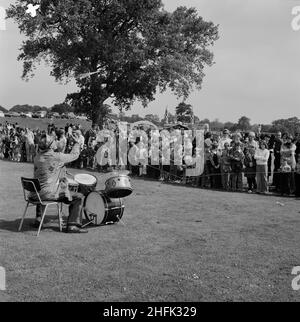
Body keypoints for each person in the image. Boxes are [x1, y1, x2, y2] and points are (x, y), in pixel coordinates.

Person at [33, 133, 87, 233]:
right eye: (54, 141)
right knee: (78, 196)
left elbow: (49, 166)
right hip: (47, 194)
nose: (55, 142)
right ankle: (73, 226)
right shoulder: (57, 157)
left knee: (43, 187)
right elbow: (74, 155)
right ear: (50, 145)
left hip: (35, 194)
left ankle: (39, 218)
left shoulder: (37, 157)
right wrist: (76, 143)